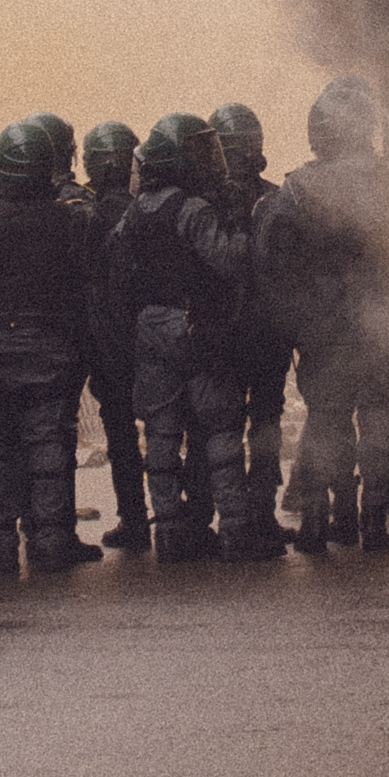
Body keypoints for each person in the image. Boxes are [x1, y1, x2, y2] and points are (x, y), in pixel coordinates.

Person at [262, 77, 389, 552]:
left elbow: (275, 261)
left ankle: (318, 520)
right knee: (381, 411)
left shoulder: (295, 190)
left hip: (323, 327)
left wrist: (297, 322)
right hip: (382, 317)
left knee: (326, 418)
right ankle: (383, 516)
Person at [107, 113, 256, 561]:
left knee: (161, 433)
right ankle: (233, 527)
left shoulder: (134, 213)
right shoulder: (193, 209)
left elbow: (117, 270)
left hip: (150, 329)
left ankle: (167, 529)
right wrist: (240, 223)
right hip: (196, 326)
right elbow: (229, 261)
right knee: (220, 427)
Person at [0, 119, 103, 576]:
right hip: (54, 351)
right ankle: (49, 540)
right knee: (50, 448)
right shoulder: (74, 220)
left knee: (0, 449)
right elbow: (86, 288)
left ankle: (4, 542)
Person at [210, 103, 297, 557]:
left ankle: (233, 521)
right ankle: (260, 513)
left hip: (225, 331)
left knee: (222, 427)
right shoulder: (279, 199)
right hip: (268, 331)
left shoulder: (205, 202)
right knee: (265, 422)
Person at [76, 123, 147, 551]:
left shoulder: (88, 216)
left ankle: (134, 519)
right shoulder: (148, 210)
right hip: (150, 337)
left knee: (120, 432)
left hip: (108, 339)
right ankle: (179, 518)